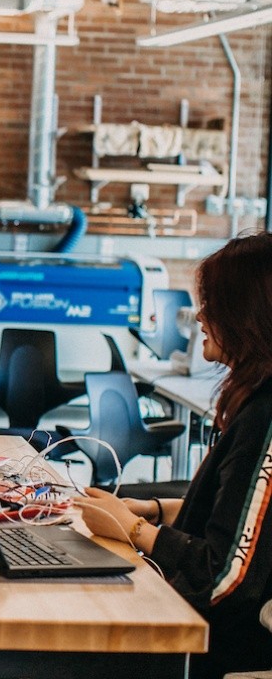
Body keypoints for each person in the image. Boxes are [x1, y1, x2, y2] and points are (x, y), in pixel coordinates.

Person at [76, 231, 272, 679]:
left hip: (211, 644)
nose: (200, 316)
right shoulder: (256, 404)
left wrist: (134, 529)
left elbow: (224, 575)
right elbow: (245, 518)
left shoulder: (266, 418)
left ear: (249, 316)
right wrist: (155, 509)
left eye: (214, 303)